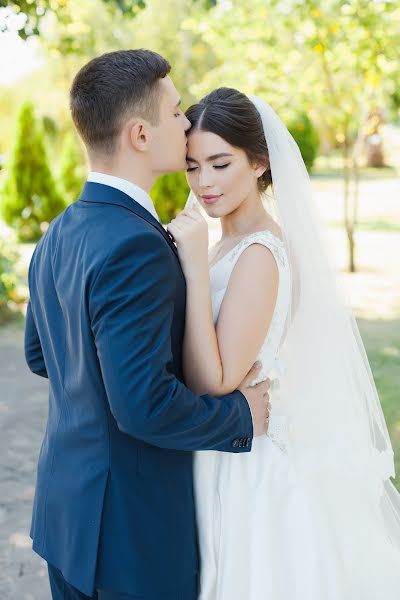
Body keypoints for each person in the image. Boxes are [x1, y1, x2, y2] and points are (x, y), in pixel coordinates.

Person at [24, 52, 271, 600]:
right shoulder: (138, 245)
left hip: (64, 516)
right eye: (177, 111)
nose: (186, 124)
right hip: (128, 539)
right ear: (140, 133)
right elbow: (141, 405)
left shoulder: (61, 229)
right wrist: (240, 416)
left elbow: (42, 355)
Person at [167, 87, 400, 599]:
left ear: (260, 163)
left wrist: (192, 268)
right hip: (218, 448)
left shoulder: (259, 253)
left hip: (248, 463)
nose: (204, 182)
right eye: (192, 166)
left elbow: (216, 378)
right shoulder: (225, 242)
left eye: (220, 163)